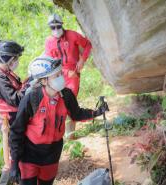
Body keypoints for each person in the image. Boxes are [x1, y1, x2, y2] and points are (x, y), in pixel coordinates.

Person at [9, 56, 108, 185]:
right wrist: (14, 163)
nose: (61, 78)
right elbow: (17, 131)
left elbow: (77, 114)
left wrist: (97, 112)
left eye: (61, 73)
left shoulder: (66, 96)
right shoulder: (32, 98)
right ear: (43, 81)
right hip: (29, 155)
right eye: (56, 76)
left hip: (52, 154)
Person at [45, 13, 92, 139]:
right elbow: (50, 61)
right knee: (57, 103)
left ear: (62, 25)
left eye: (57, 26)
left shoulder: (72, 35)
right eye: (52, 28)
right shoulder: (49, 42)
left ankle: (70, 136)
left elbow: (88, 45)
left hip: (73, 74)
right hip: (58, 75)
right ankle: (58, 135)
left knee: (70, 103)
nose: (55, 30)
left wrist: (82, 60)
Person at [0, 40, 26, 185]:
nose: (16, 61)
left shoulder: (6, 72)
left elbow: (18, 87)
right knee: (12, 159)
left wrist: (28, 82)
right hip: (8, 121)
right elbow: (14, 99)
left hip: (15, 118)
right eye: (15, 58)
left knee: (19, 151)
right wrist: (28, 89)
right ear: (6, 58)